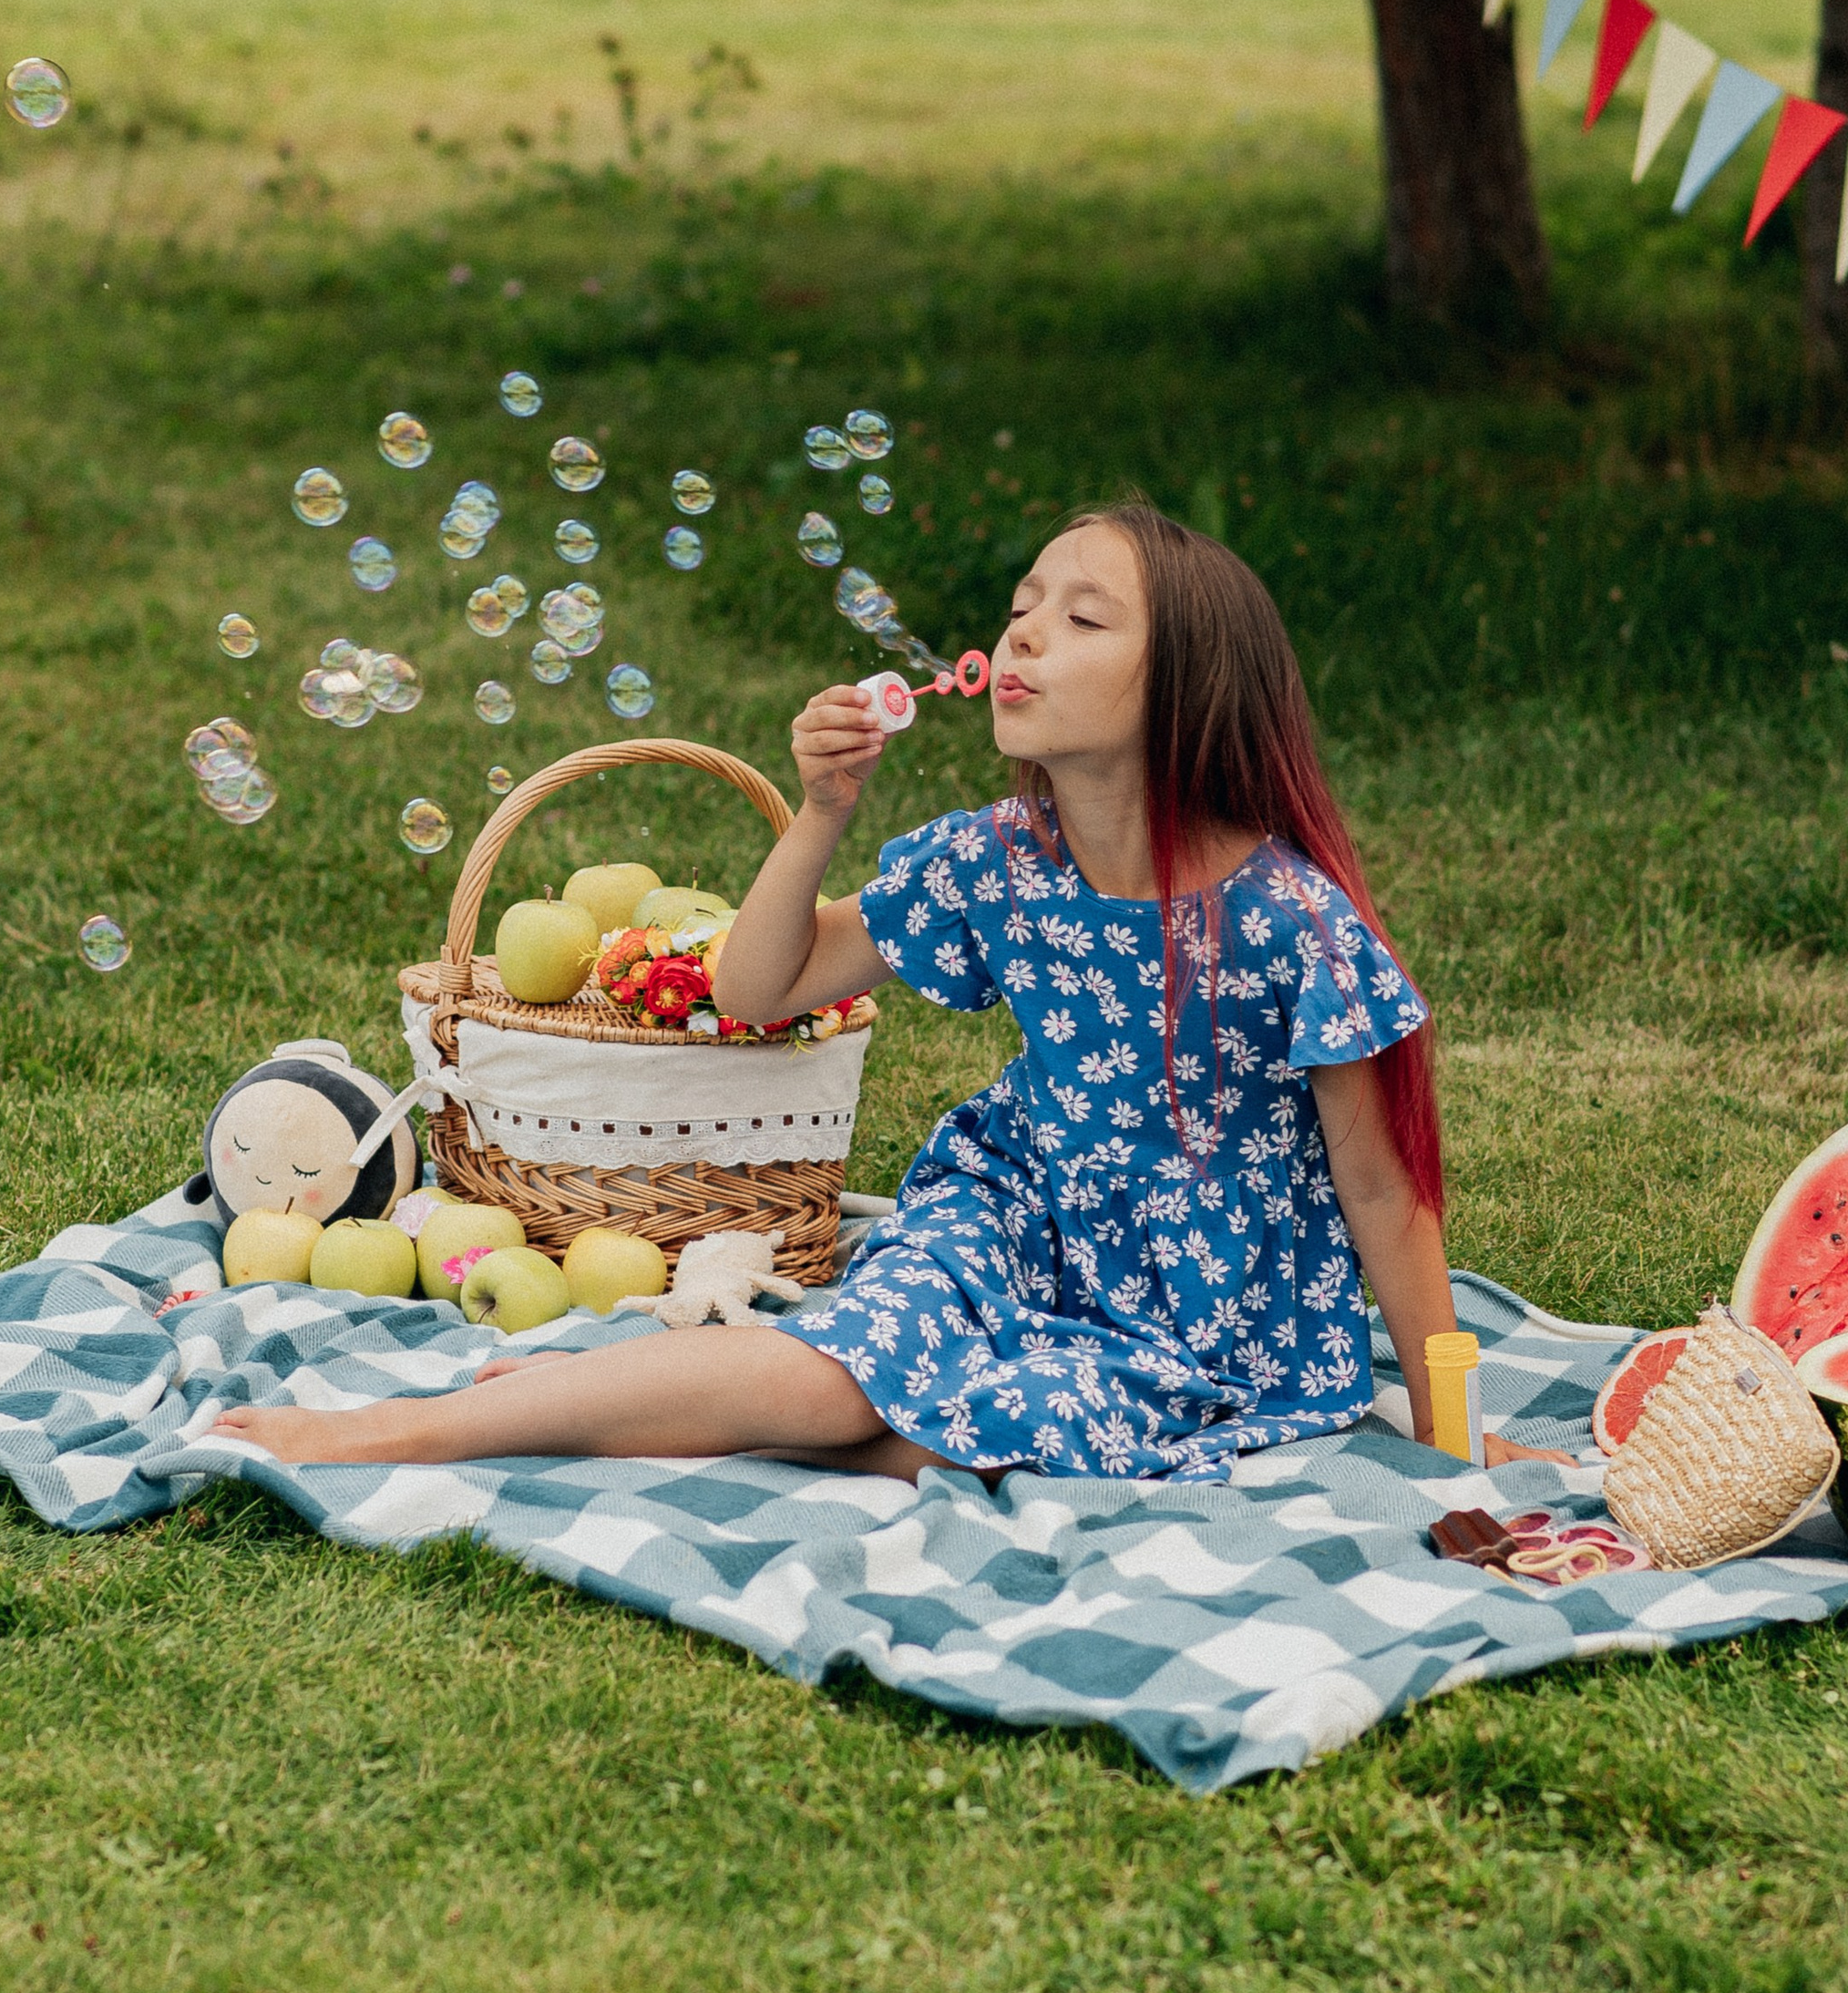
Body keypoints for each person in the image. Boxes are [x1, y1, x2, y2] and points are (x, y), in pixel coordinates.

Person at [212, 500, 1534, 1481]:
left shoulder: (1290, 922)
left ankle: (617, 1410)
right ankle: (412, 1430)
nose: (1023, 633)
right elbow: (759, 988)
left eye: (1082, 619)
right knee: (844, 1379)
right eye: (1024, 606)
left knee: (928, 1445)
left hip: (1207, 1306)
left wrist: (1455, 1428)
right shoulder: (1002, 861)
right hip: (1017, 1215)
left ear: (1188, 685)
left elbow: (1381, 1188)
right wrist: (822, 813)